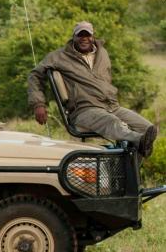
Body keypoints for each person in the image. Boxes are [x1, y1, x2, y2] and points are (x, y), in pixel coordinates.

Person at [28, 21, 157, 157]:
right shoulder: (59, 56)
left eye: (87, 35)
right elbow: (35, 75)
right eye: (80, 35)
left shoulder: (103, 53)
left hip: (112, 106)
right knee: (114, 123)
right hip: (84, 110)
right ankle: (138, 142)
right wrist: (38, 104)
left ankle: (130, 170)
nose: (84, 38)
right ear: (74, 37)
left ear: (93, 37)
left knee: (147, 128)